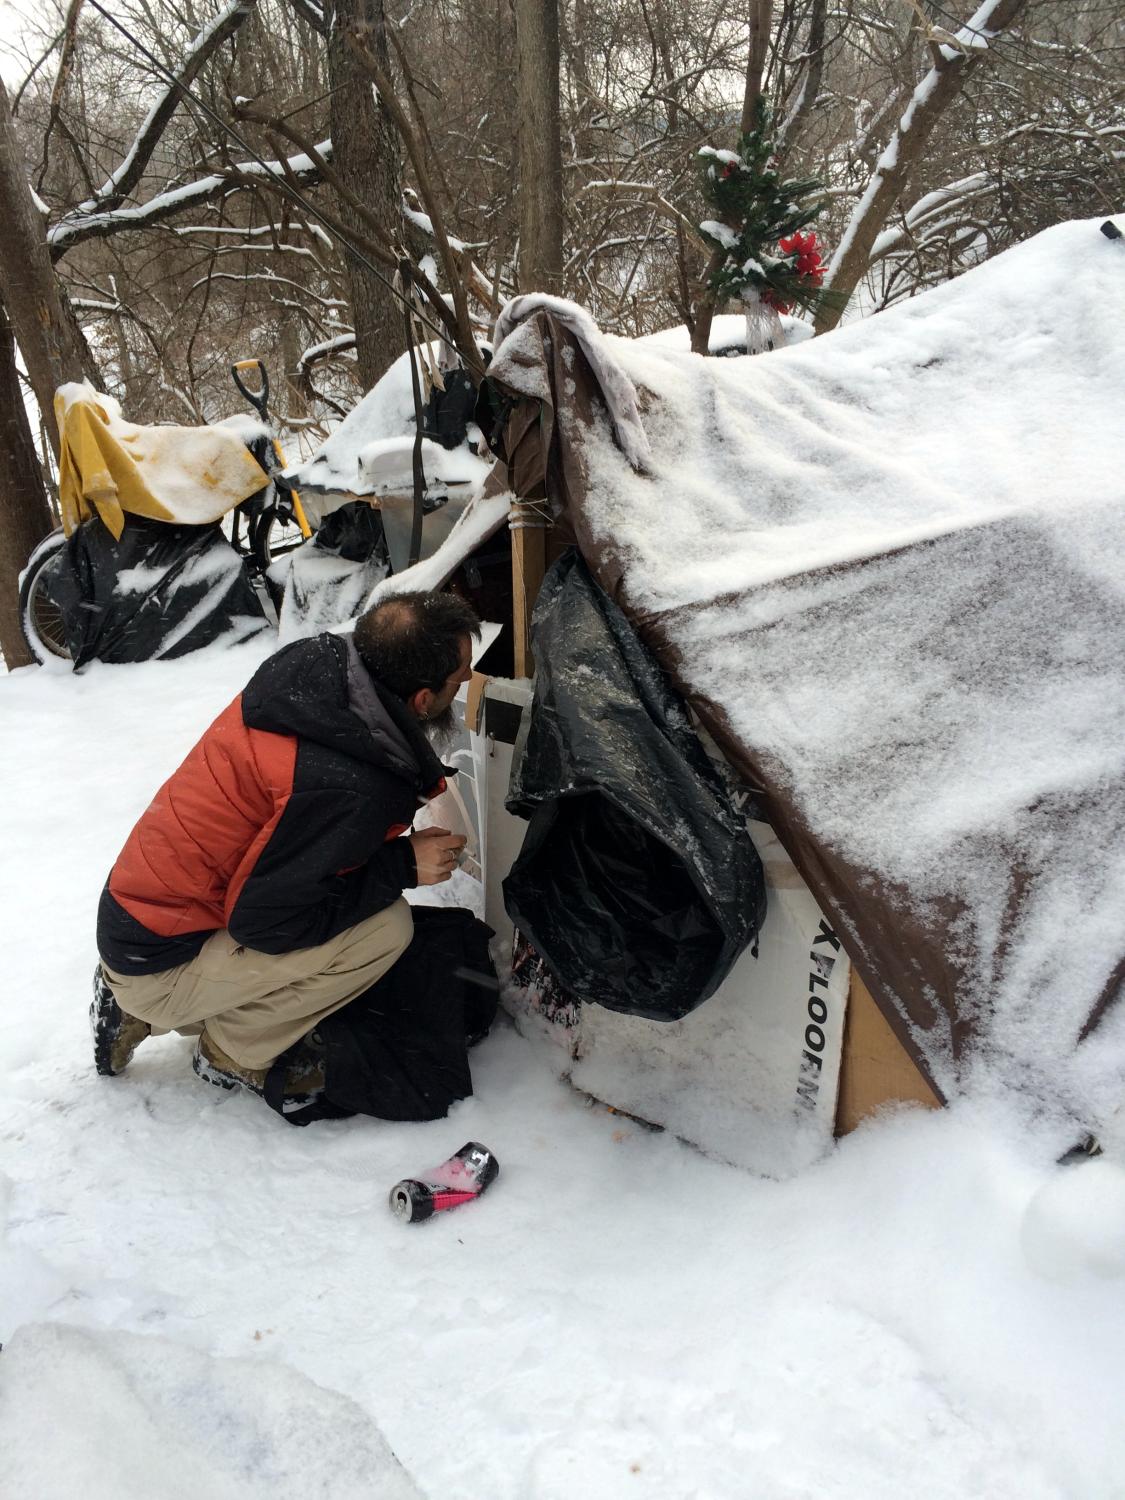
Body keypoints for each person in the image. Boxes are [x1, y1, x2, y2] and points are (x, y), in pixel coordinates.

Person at [91, 590, 481, 1108]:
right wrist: (404, 864)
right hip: (159, 958)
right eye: (459, 677)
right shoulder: (344, 785)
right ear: (421, 700)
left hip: (143, 921)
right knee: (385, 931)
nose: (470, 682)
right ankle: (230, 1051)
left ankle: (137, 1001)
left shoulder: (317, 673)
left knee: (345, 909)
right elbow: (267, 925)